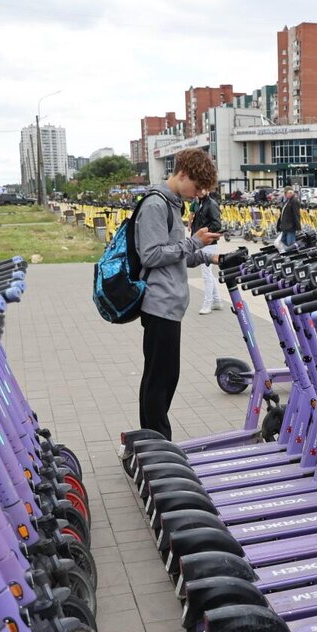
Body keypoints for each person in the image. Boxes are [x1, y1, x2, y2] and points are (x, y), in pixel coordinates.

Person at [135, 147, 226, 440]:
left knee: (163, 377)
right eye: (197, 187)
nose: (197, 194)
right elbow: (150, 255)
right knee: (159, 379)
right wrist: (193, 242)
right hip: (158, 303)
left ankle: (153, 438)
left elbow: (177, 256)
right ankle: (157, 441)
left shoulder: (173, 205)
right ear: (183, 174)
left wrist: (208, 256)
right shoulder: (155, 204)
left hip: (170, 303)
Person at [190, 188, 223, 314]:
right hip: (203, 241)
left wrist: (203, 232)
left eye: (201, 189)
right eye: (197, 189)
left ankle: (207, 304)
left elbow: (217, 224)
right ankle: (217, 300)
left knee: (206, 275)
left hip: (208, 242)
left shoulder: (211, 204)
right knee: (208, 273)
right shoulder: (202, 203)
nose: (198, 192)